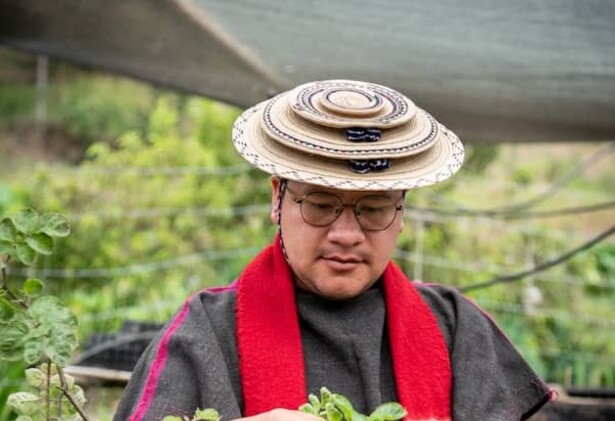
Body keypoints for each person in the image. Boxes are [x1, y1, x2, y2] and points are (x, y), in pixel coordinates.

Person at [114, 80, 552, 421]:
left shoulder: (454, 326)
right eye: (321, 205)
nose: (346, 234)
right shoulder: (207, 332)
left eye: (373, 209)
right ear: (276, 199)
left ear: (401, 213)